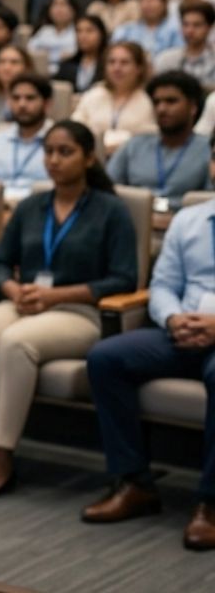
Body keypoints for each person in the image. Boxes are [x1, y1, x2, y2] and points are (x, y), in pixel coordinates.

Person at [0, 120, 137, 498]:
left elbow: (123, 279)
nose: (54, 161)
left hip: (80, 313)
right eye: (48, 152)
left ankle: (1, 454)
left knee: (15, 343)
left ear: (90, 157)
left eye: (65, 152)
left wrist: (57, 295)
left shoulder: (111, 211)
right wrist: (12, 288)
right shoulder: (32, 205)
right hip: (25, 302)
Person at [81, 188, 215, 548]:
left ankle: (211, 502)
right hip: (182, 330)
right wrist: (172, 319)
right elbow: (163, 285)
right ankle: (135, 483)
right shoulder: (189, 220)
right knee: (106, 358)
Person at [107, 72, 211, 229]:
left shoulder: (208, 150)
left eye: (171, 101)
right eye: (156, 102)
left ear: (193, 107)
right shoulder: (135, 144)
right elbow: (106, 188)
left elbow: (209, 202)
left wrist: (176, 220)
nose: (161, 108)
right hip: (133, 225)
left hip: (189, 229)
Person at [0, 73, 53, 207]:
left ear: (47, 103)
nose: (22, 104)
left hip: (40, 208)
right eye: (16, 98)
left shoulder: (57, 142)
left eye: (30, 98)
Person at [73, 41, 156, 154]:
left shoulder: (150, 99)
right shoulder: (94, 94)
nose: (117, 68)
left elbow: (152, 137)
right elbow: (75, 128)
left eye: (124, 63)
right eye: (112, 62)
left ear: (139, 68)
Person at [112, 0, 183, 57]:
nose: (148, 4)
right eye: (143, 0)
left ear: (164, 3)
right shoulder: (125, 30)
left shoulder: (176, 29)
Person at [155, 1, 215, 87]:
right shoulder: (166, 60)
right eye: (185, 24)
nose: (189, 30)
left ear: (209, 27)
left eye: (197, 25)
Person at [56, 13, 110, 92]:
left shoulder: (110, 66)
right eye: (79, 31)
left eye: (89, 31)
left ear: (102, 34)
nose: (83, 36)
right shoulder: (67, 65)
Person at [29, 0, 81, 66]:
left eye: (63, 4)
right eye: (55, 4)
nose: (58, 9)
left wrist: (46, 55)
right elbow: (30, 51)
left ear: (73, 9)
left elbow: (72, 55)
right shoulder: (44, 30)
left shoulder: (79, 31)